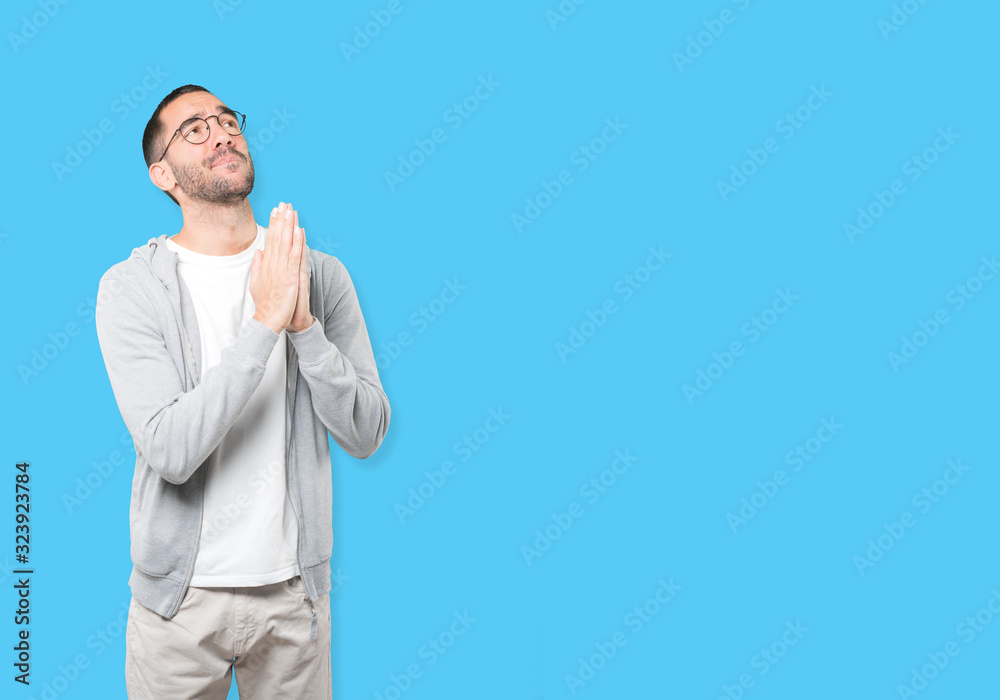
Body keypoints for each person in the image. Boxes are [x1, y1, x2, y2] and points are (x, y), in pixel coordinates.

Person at [95, 84, 390, 699]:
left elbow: (366, 432)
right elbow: (170, 451)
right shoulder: (131, 288)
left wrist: (304, 326)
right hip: (178, 606)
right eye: (194, 129)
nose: (221, 133)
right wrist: (264, 325)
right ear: (162, 175)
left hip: (293, 601)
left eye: (228, 120)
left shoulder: (318, 273)